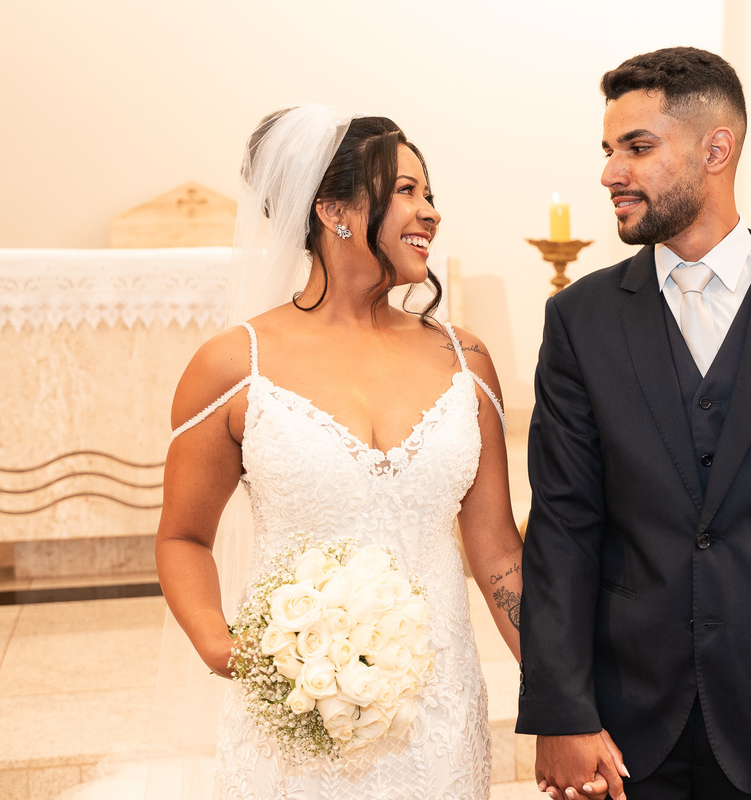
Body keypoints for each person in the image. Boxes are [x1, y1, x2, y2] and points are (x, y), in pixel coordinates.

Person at [517, 47, 751, 800]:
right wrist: (560, 710)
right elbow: (562, 529)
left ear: (716, 150)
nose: (610, 173)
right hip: (620, 728)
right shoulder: (578, 321)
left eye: (638, 147)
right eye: (609, 149)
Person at [156, 105, 525, 797]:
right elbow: (182, 535)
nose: (430, 212)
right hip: (296, 719)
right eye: (407, 191)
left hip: (438, 715)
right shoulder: (236, 364)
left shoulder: (464, 360)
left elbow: (499, 549)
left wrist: (560, 691)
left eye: (430, 193)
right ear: (334, 212)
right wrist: (220, 644)